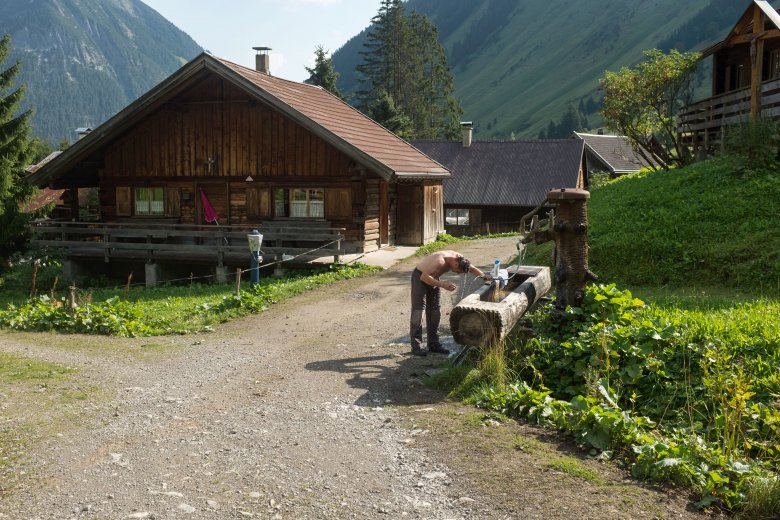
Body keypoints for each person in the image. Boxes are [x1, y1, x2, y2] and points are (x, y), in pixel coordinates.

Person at [409, 250, 489, 356]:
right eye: (458, 271)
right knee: (419, 310)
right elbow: (423, 277)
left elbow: (472, 269)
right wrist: (442, 284)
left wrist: (485, 277)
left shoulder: (460, 259)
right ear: (455, 263)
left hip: (433, 278)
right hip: (420, 278)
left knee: (435, 310)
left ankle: (433, 344)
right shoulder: (440, 261)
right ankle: (416, 346)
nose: (457, 273)